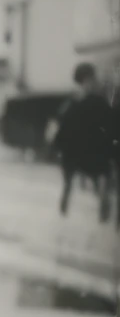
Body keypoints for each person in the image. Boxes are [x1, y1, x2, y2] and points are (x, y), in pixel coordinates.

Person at [48, 62, 112, 222]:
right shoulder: (95, 101)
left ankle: (69, 195)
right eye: (90, 79)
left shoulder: (72, 102)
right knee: (99, 173)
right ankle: (99, 197)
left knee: (74, 174)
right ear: (87, 79)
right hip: (88, 148)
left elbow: (61, 125)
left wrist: (57, 146)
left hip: (78, 149)